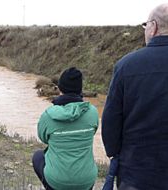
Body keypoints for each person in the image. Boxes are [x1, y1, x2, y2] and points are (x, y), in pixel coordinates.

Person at [102, 3, 168, 190]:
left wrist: (114, 152)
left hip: (137, 172)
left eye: (145, 25)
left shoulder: (126, 66)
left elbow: (111, 120)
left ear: (153, 27)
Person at [32, 67, 99, 190]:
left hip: (57, 182)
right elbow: (93, 132)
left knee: (37, 156)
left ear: (60, 88)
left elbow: (43, 138)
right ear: (80, 89)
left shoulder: (49, 115)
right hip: (86, 180)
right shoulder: (93, 113)